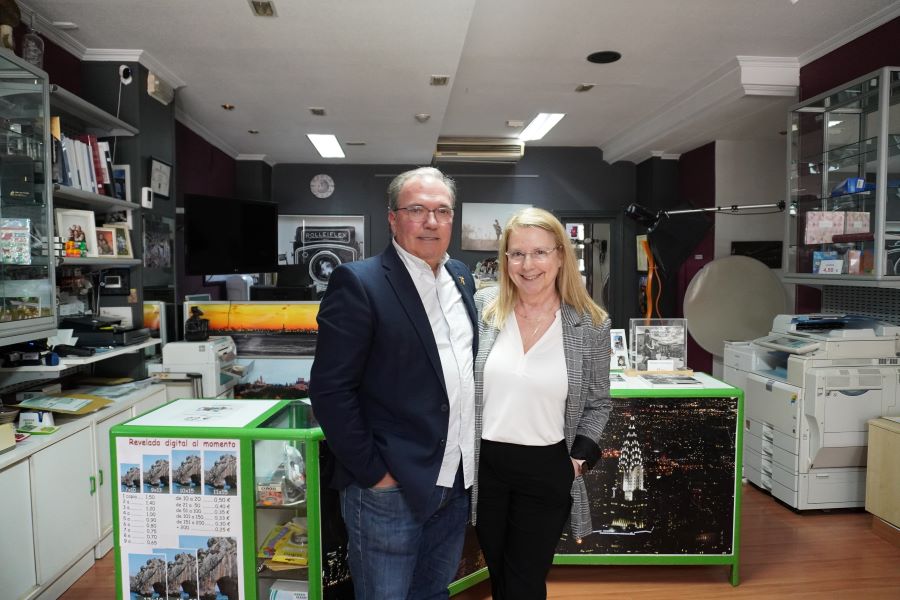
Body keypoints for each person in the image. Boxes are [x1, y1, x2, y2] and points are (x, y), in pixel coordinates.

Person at [309, 166, 477, 600]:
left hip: (455, 482)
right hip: (390, 488)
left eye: (442, 211)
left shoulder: (461, 277)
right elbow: (330, 389)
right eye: (417, 209)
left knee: (433, 593)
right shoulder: (359, 283)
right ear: (392, 217)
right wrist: (375, 474)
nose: (431, 222)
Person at [472, 207, 612, 600]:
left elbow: (599, 402)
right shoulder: (483, 310)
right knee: (500, 576)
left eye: (539, 253)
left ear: (560, 256)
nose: (527, 264)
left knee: (525, 581)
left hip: (548, 468)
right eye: (516, 254)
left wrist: (578, 459)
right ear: (504, 260)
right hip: (488, 469)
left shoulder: (590, 324)